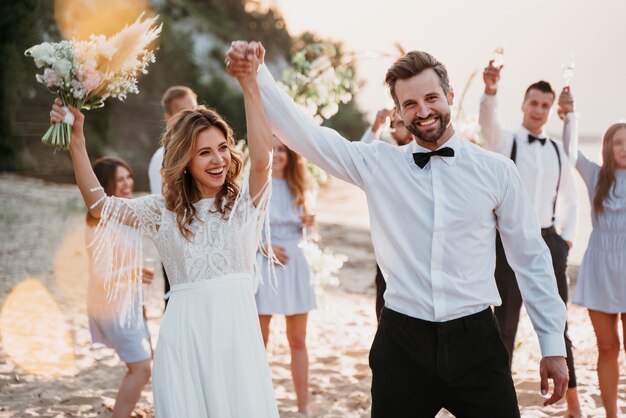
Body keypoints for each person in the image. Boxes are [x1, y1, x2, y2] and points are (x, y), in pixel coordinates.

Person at [227, 42, 568, 417]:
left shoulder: (497, 171)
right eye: (410, 104)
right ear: (399, 112)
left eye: (431, 98)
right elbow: (305, 134)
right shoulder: (377, 164)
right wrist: (256, 73)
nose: (423, 111)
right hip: (402, 343)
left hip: (476, 343)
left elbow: (530, 258)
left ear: (450, 95)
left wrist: (552, 343)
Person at [50, 42, 278, 417]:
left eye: (223, 148)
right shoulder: (162, 211)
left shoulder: (242, 206)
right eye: (204, 152)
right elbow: (99, 205)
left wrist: (250, 84)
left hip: (237, 340)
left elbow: (263, 157)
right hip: (184, 338)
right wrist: (77, 142)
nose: (219, 159)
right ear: (184, 161)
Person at [480, 62, 582, 417]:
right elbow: (487, 124)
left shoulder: (556, 150)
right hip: (507, 242)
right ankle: (498, 401)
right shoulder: (505, 141)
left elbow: (571, 198)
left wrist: (565, 240)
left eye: (545, 106)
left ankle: (574, 403)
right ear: (523, 105)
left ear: (550, 109)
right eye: (533, 103)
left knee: (559, 322)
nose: (539, 111)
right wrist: (490, 91)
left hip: (549, 242)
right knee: (504, 322)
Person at [562, 112, 626, 418]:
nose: (624, 147)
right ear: (608, 147)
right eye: (618, 142)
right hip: (600, 268)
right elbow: (570, 151)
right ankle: (612, 415)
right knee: (607, 349)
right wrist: (570, 116)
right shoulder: (597, 176)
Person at [85, 157, 153, 418]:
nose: (127, 184)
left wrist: (141, 301)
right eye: (119, 179)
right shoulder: (100, 223)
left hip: (131, 302)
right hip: (112, 306)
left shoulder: (126, 213)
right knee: (141, 368)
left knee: (143, 365)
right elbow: (101, 276)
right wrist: (132, 272)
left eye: (128, 177)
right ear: (105, 185)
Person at [256, 136, 317, 416]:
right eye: (273, 149)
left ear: (291, 155)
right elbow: (244, 226)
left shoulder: (301, 186)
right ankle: (255, 401)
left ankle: (303, 407)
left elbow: (309, 235)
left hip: (295, 264)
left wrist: (310, 224)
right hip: (264, 262)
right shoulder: (256, 184)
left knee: (298, 339)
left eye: (282, 149)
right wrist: (264, 247)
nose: (277, 154)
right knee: (260, 339)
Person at [359, 108, 413, 320]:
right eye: (399, 124)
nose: (406, 127)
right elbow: (359, 157)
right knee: (385, 313)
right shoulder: (385, 162)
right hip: (390, 256)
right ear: (392, 133)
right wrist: (377, 126)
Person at [147, 86, 198, 309]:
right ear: (168, 118)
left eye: (194, 109)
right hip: (180, 250)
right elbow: (168, 211)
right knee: (178, 306)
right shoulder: (162, 158)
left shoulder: (206, 150)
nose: (191, 116)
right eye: (183, 112)